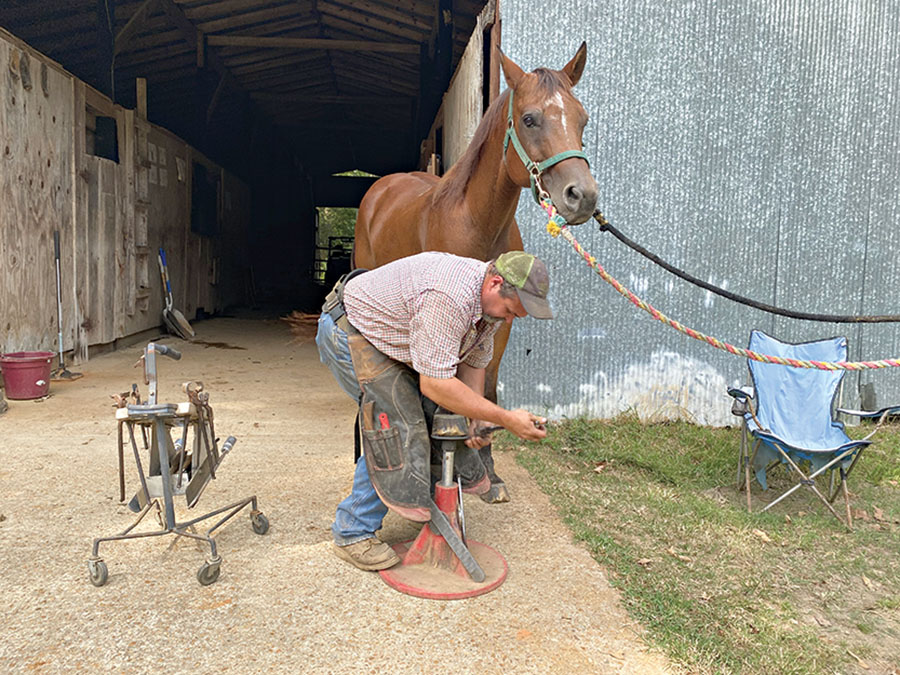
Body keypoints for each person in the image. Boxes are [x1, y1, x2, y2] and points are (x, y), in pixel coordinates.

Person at [316, 250, 553, 571]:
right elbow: (436, 384)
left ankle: (418, 501)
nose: (509, 319)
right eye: (511, 310)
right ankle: (352, 532)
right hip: (350, 330)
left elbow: (473, 363)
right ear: (496, 283)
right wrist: (507, 419)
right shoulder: (448, 298)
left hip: (392, 339)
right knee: (392, 428)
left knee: (436, 414)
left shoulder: (488, 307)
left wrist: (479, 419)